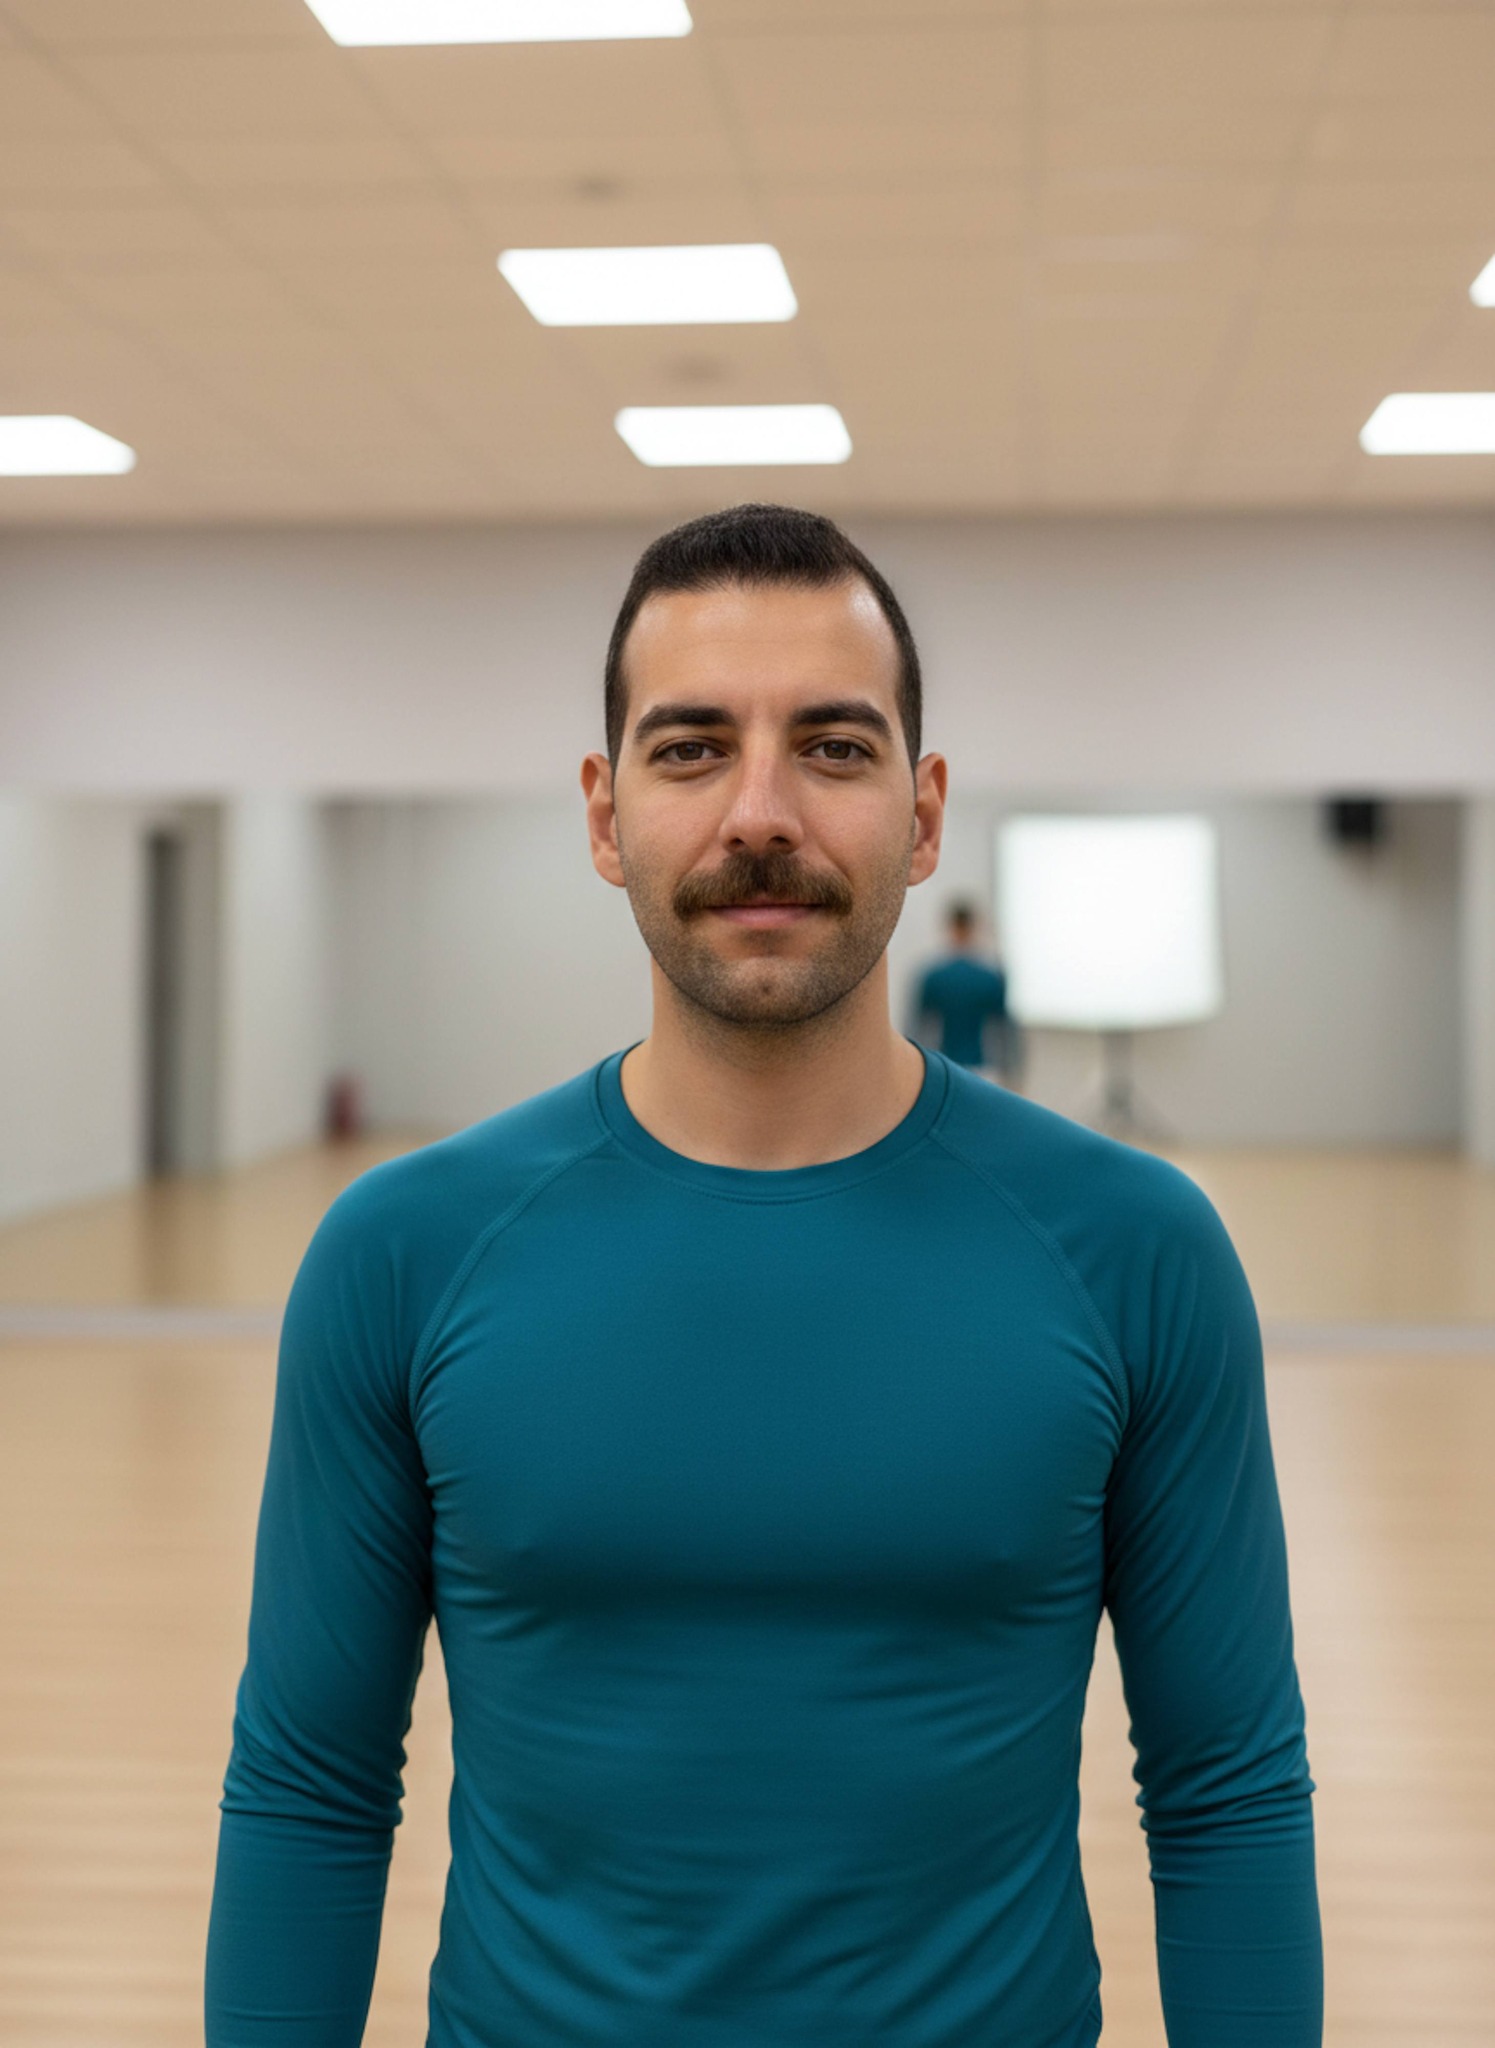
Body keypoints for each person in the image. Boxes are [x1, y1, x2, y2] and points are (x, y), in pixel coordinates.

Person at [204, 503, 1322, 2047]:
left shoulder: (1134, 1252)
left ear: (923, 815)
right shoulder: (403, 1257)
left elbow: (1224, 1794)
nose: (759, 810)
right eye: (688, 748)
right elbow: (310, 1790)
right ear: (602, 815)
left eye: (832, 746)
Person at [912, 898, 1019, 1081]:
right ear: (973, 928)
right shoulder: (989, 977)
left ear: (951, 927)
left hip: (943, 1064)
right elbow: (1004, 1030)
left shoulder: (934, 976)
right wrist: (1012, 1070)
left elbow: (919, 1028)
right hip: (981, 1066)